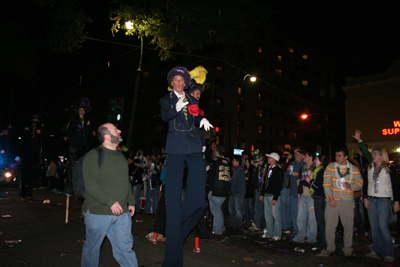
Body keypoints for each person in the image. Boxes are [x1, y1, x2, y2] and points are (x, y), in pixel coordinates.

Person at [159, 66, 213, 267]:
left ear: (186, 83)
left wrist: (203, 119)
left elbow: (196, 115)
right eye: (176, 80)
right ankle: (174, 229)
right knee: (173, 192)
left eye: (182, 80)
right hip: (175, 145)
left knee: (199, 180)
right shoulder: (166, 100)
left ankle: (191, 210)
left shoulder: (193, 100)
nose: (179, 83)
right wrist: (177, 106)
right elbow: (165, 117)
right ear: (172, 83)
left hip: (192, 144)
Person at [81, 123, 138, 267]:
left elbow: (126, 182)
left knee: (125, 249)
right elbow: (90, 184)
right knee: (92, 250)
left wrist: (131, 201)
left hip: (122, 214)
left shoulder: (121, 156)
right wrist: (111, 202)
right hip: (97, 213)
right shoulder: (94, 155)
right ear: (107, 136)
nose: (119, 131)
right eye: (115, 130)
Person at [319, 146, 363, 257]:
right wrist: (330, 198)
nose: (337, 158)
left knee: (348, 226)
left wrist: (351, 186)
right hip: (332, 200)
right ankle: (330, 246)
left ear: (346, 157)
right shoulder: (331, 167)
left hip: (347, 201)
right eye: (336, 156)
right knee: (329, 226)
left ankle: (347, 248)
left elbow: (360, 183)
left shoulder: (353, 168)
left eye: (339, 156)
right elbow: (326, 183)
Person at [363, 147, 399, 263]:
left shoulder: (389, 168)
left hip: (384, 200)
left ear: (381, 156)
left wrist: (396, 201)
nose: (373, 156)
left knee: (383, 227)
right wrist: (365, 198)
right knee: (374, 227)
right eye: (373, 154)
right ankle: (376, 250)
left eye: (376, 154)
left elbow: (395, 186)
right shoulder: (370, 168)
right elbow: (365, 184)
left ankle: (389, 253)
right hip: (372, 199)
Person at [64, 97, 96, 195]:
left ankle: (80, 187)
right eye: (80, 110)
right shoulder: (74, 119)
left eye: (83, 110)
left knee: (82, 164)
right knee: (72, 165)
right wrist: (66, 135)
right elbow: (69, 127)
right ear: (78, 110)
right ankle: (70, 187)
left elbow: (89, 127)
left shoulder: (87, 120)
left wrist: (92, 131)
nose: (82, 112)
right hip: (74, 143)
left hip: (82, 144)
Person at [292, 151, 317, 244]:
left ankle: (311, 238)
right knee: (300, 217)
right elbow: (301, 181)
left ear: (310, 157)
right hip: (303, 195)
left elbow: (314, 182)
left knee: (311, 218)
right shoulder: (303, 168)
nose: (304, 157)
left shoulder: (314, 168)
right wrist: (299, 195)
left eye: (306, 155)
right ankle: (300, 236)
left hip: (311, 196)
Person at [259, 152, 284, 240]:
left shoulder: (278, 170)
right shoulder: (269, 169)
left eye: (269, 157)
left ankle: (277, 234)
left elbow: (279, 185)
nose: (268, 159)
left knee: (276, 216)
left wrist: (276, 197)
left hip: (273, 196)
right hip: (267, 195)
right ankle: (270, 232)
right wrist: (262, 194)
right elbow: (265, 183)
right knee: (268, 215)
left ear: (274, 159)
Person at [207, 146, 231, 235]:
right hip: (225, 190)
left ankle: (217, 230)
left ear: (217, 152)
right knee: (219, 209)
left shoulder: (215, 161)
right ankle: (221, 227)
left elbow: (210, 175)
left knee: (216, 211)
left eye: (215, 150)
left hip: (216, 189)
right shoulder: (227, 162)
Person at [285, 147, 305, 235]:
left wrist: (298, 174)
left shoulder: (304, 164)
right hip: (293, 191)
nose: (296, 156)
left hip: (301, 193)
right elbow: (287, 175)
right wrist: (288, 170)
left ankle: (302, 231)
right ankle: (295, 230)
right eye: (295, 154)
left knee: (301, 213)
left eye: (298, 154)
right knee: (293, 212)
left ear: (303, 156)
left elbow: (309, 174)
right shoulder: (293, 163)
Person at [311, 154, 329, 250]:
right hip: (319, 198)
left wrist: (310, 180)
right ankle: (322, 241)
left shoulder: (321, 172)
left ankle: (323, 242)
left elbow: (319, 187)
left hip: (320, 198)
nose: (315, 161)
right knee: (320, 221)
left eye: (317, 159)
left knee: (321, 221)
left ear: (321, 162)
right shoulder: (319, 171)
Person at [250, 149, 266, 231]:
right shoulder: (257, 168)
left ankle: (258, 224)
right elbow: (253, 178)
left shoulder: (264, 168)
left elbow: (261, 179)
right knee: (258, 208)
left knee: (259, 208)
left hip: (261, 190)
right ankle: (259, 224)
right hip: (257, 190)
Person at [228, 155, 246, 228]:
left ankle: (238, 223)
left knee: (238, 208)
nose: (232, 162)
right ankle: (232, 222)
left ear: (237, 161)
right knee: (232, 207)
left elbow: (239, 182)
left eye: (233, 160)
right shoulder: (236, 169)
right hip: (234, 191)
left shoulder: (240, 170)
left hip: (238, 191)